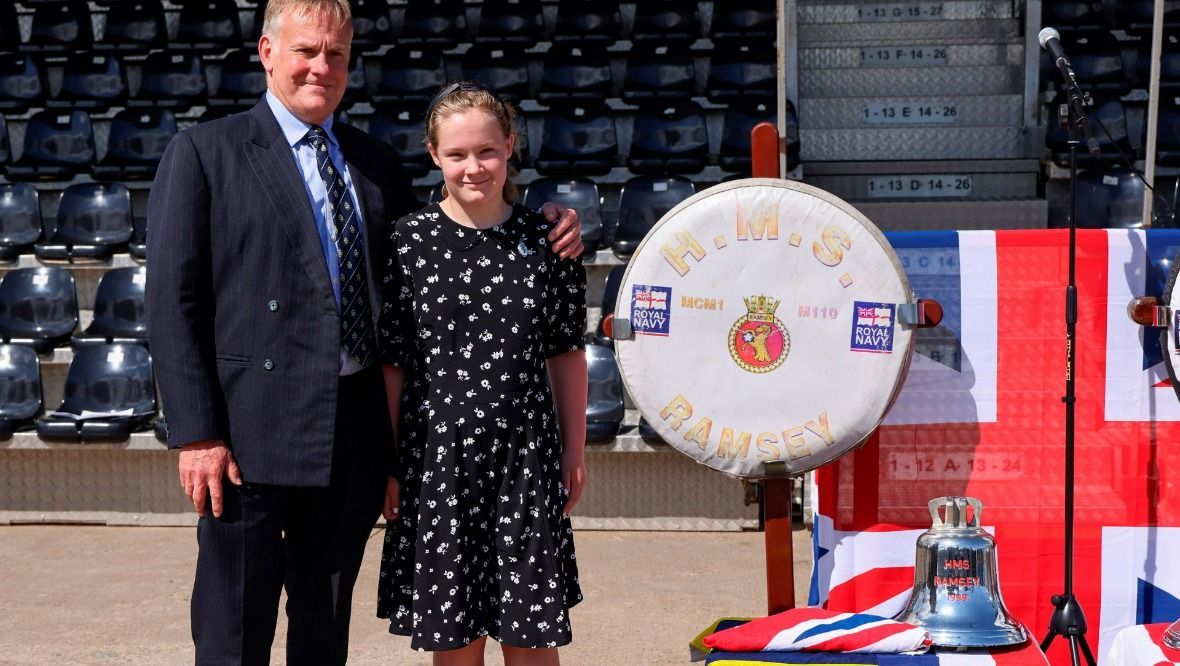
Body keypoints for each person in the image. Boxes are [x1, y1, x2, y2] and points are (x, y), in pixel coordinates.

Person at [145, 1, 583, 662]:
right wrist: (197, 434)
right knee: (233, 633)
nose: (322, 67)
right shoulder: (207, 152)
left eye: (337, 55)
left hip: (348, 435)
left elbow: (459, 227)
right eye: (306, 52)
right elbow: (172, 302)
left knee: (323, 634)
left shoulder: (374, 162)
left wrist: (548, 216)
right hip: (246, 438)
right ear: (268, 53)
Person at [375, 82, 588, 665]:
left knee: (531, 639)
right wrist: (390, 462)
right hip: (436, 464)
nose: (474, 167)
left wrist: (573, 450)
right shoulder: (404, 243)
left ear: (511, 146)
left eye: (487, 151)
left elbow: (566, 351)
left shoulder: (549, 240)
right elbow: (392, 363)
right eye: (457, 154)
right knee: (456, 644)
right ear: (433, 155)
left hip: (525, 460)